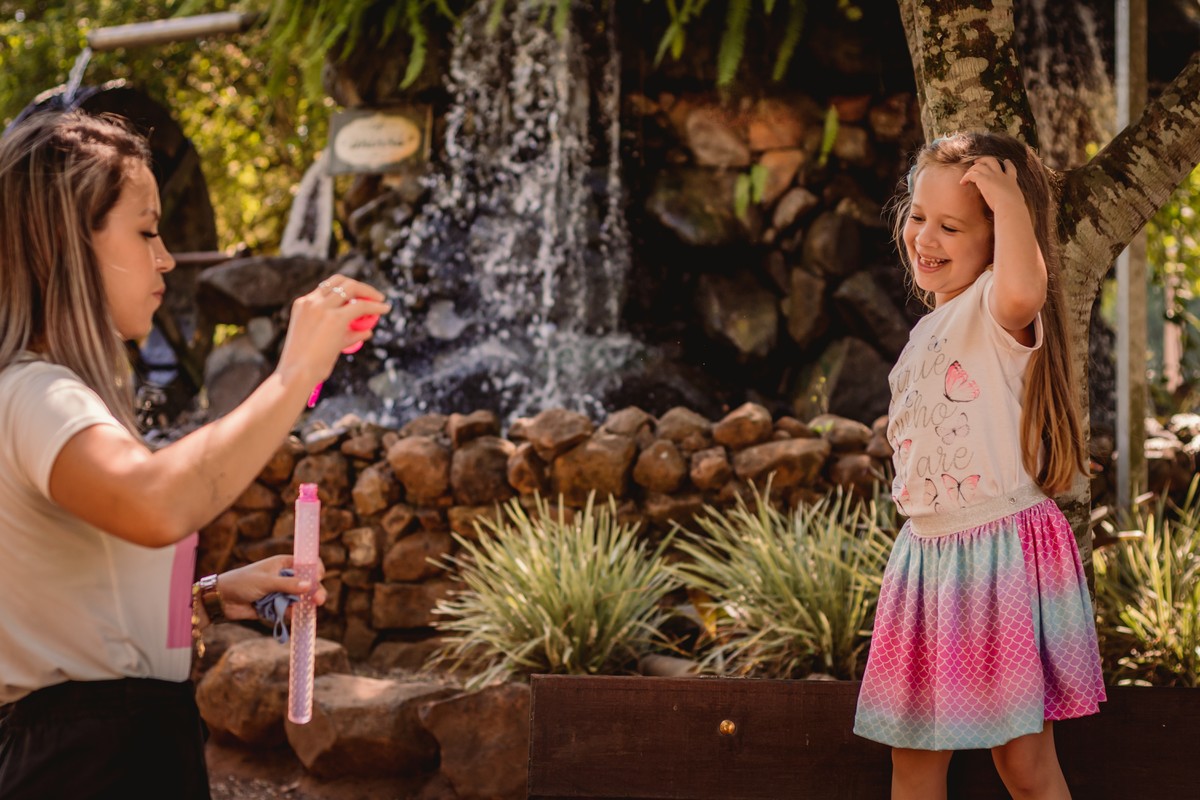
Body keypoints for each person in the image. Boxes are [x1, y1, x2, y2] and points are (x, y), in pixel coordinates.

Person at [0, 110, 390, 799]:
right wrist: (293, 373)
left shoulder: (45, 396)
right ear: (65, 244)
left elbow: (64, 605)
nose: (167, 258)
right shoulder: (37, 397)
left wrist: (207, 593)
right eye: (146, 231)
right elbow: (155, 502)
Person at [853, 132, 1106, 799]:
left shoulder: (998, 309)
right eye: (917, 217)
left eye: (952, 226)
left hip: (999, 555)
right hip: (928, 564)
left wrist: (1009, 197)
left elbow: (1027, 286)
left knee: (1023, 765)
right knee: (912, 763)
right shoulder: (930, 328)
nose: (925, 238)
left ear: (997, 240)